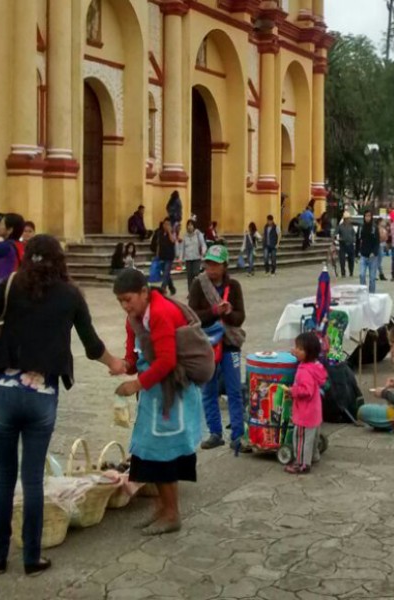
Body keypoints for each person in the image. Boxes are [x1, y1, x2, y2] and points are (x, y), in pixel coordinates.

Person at [0, 234, 122, 575]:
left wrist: (0, 324)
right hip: (41, 396)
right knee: (33, 478)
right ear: (60, 260)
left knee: (4, 476)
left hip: (4, 393)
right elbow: (92, 345)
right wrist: (114, 363)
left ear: (28, 257)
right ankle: (31, 557)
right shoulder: (70, 295)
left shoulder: (10, 285)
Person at [113, 268, 204, 536]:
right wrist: (125, 365)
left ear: (144, 292)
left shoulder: (161, 313)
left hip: (170, 394)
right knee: (150, 454)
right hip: (155, 393)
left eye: (128, 299)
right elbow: (134, 355)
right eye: (120, 301)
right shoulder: (135, 317)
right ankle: (162, 509)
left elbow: (166, 361)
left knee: (165, 455)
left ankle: (172, 513)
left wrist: (136, 384)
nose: (125, 306)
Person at [188, 244, 247, 453]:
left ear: (224, 266)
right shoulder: (198, 284)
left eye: (216, 265)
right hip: (208, 344)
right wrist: (214, 310)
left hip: (230, 344)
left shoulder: (235, 286)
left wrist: (229, 312)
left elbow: (240, 317)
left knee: (234, 389)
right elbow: (192, 315)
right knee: (209, 389)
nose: (211, 269)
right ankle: (215, 432)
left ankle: (238, 433)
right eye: (208, 264)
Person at [286, 333, 327, 474]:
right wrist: (296, 353)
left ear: (308, 352)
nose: (296, 350)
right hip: (315, 412)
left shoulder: (304, 371)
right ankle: (314, 456)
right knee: (313, 438)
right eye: (296, 347)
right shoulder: (315, 366)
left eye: (299, 349)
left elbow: (306, 390)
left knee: (300, 438)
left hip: (305, 413)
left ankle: (302, 463)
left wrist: (292, 391)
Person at [357, 209, 380, 294]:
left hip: (372, 256)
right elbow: (358, 240)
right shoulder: (361, 227)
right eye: (366, 216)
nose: (367, 218)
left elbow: (377, 242)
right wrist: (357, 252)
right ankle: (363, 292)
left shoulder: (374, 228)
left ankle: (371, 294)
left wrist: (374, 252)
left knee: (372, 278)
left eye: (369, 216)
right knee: (362, 275)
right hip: (363, 255)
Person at [151, 220, 177, 296]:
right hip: (162, 256)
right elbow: (158, 245)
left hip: (169, 257)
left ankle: (163, 289)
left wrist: (169, 232)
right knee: (166, 274)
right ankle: (172, 288)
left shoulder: (173, 233)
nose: (166, 225)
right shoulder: (160, 233)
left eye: (168, 224)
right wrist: (157, 255)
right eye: (165, 224)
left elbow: (173, 241)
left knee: (166, 273)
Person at [181, 220, 207, 290]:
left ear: (194, 226)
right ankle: (190, 291)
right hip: (188, 259)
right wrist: (181, 258)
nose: (190, 227)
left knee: (195, 274)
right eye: (188, 225)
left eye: (191, 225)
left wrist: (203, 252)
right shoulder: (185, 236)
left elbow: (203, 244)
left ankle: (197, 290)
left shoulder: (198, 234)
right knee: (189, 276)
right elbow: (182, 248)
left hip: (197, 257)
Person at [337, 212, 356, 278]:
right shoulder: (340, 227)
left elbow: (354, 234)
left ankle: (351, 272)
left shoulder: (351, 226)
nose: (349, 220)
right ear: (345, 219)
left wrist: (354, 239)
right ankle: (343, 273)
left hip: (350, 244)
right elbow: (335, 234)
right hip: (342, 244)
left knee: (351, 259)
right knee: (342, 259)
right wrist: (338, 238)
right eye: (348, 219)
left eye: (349, 219)